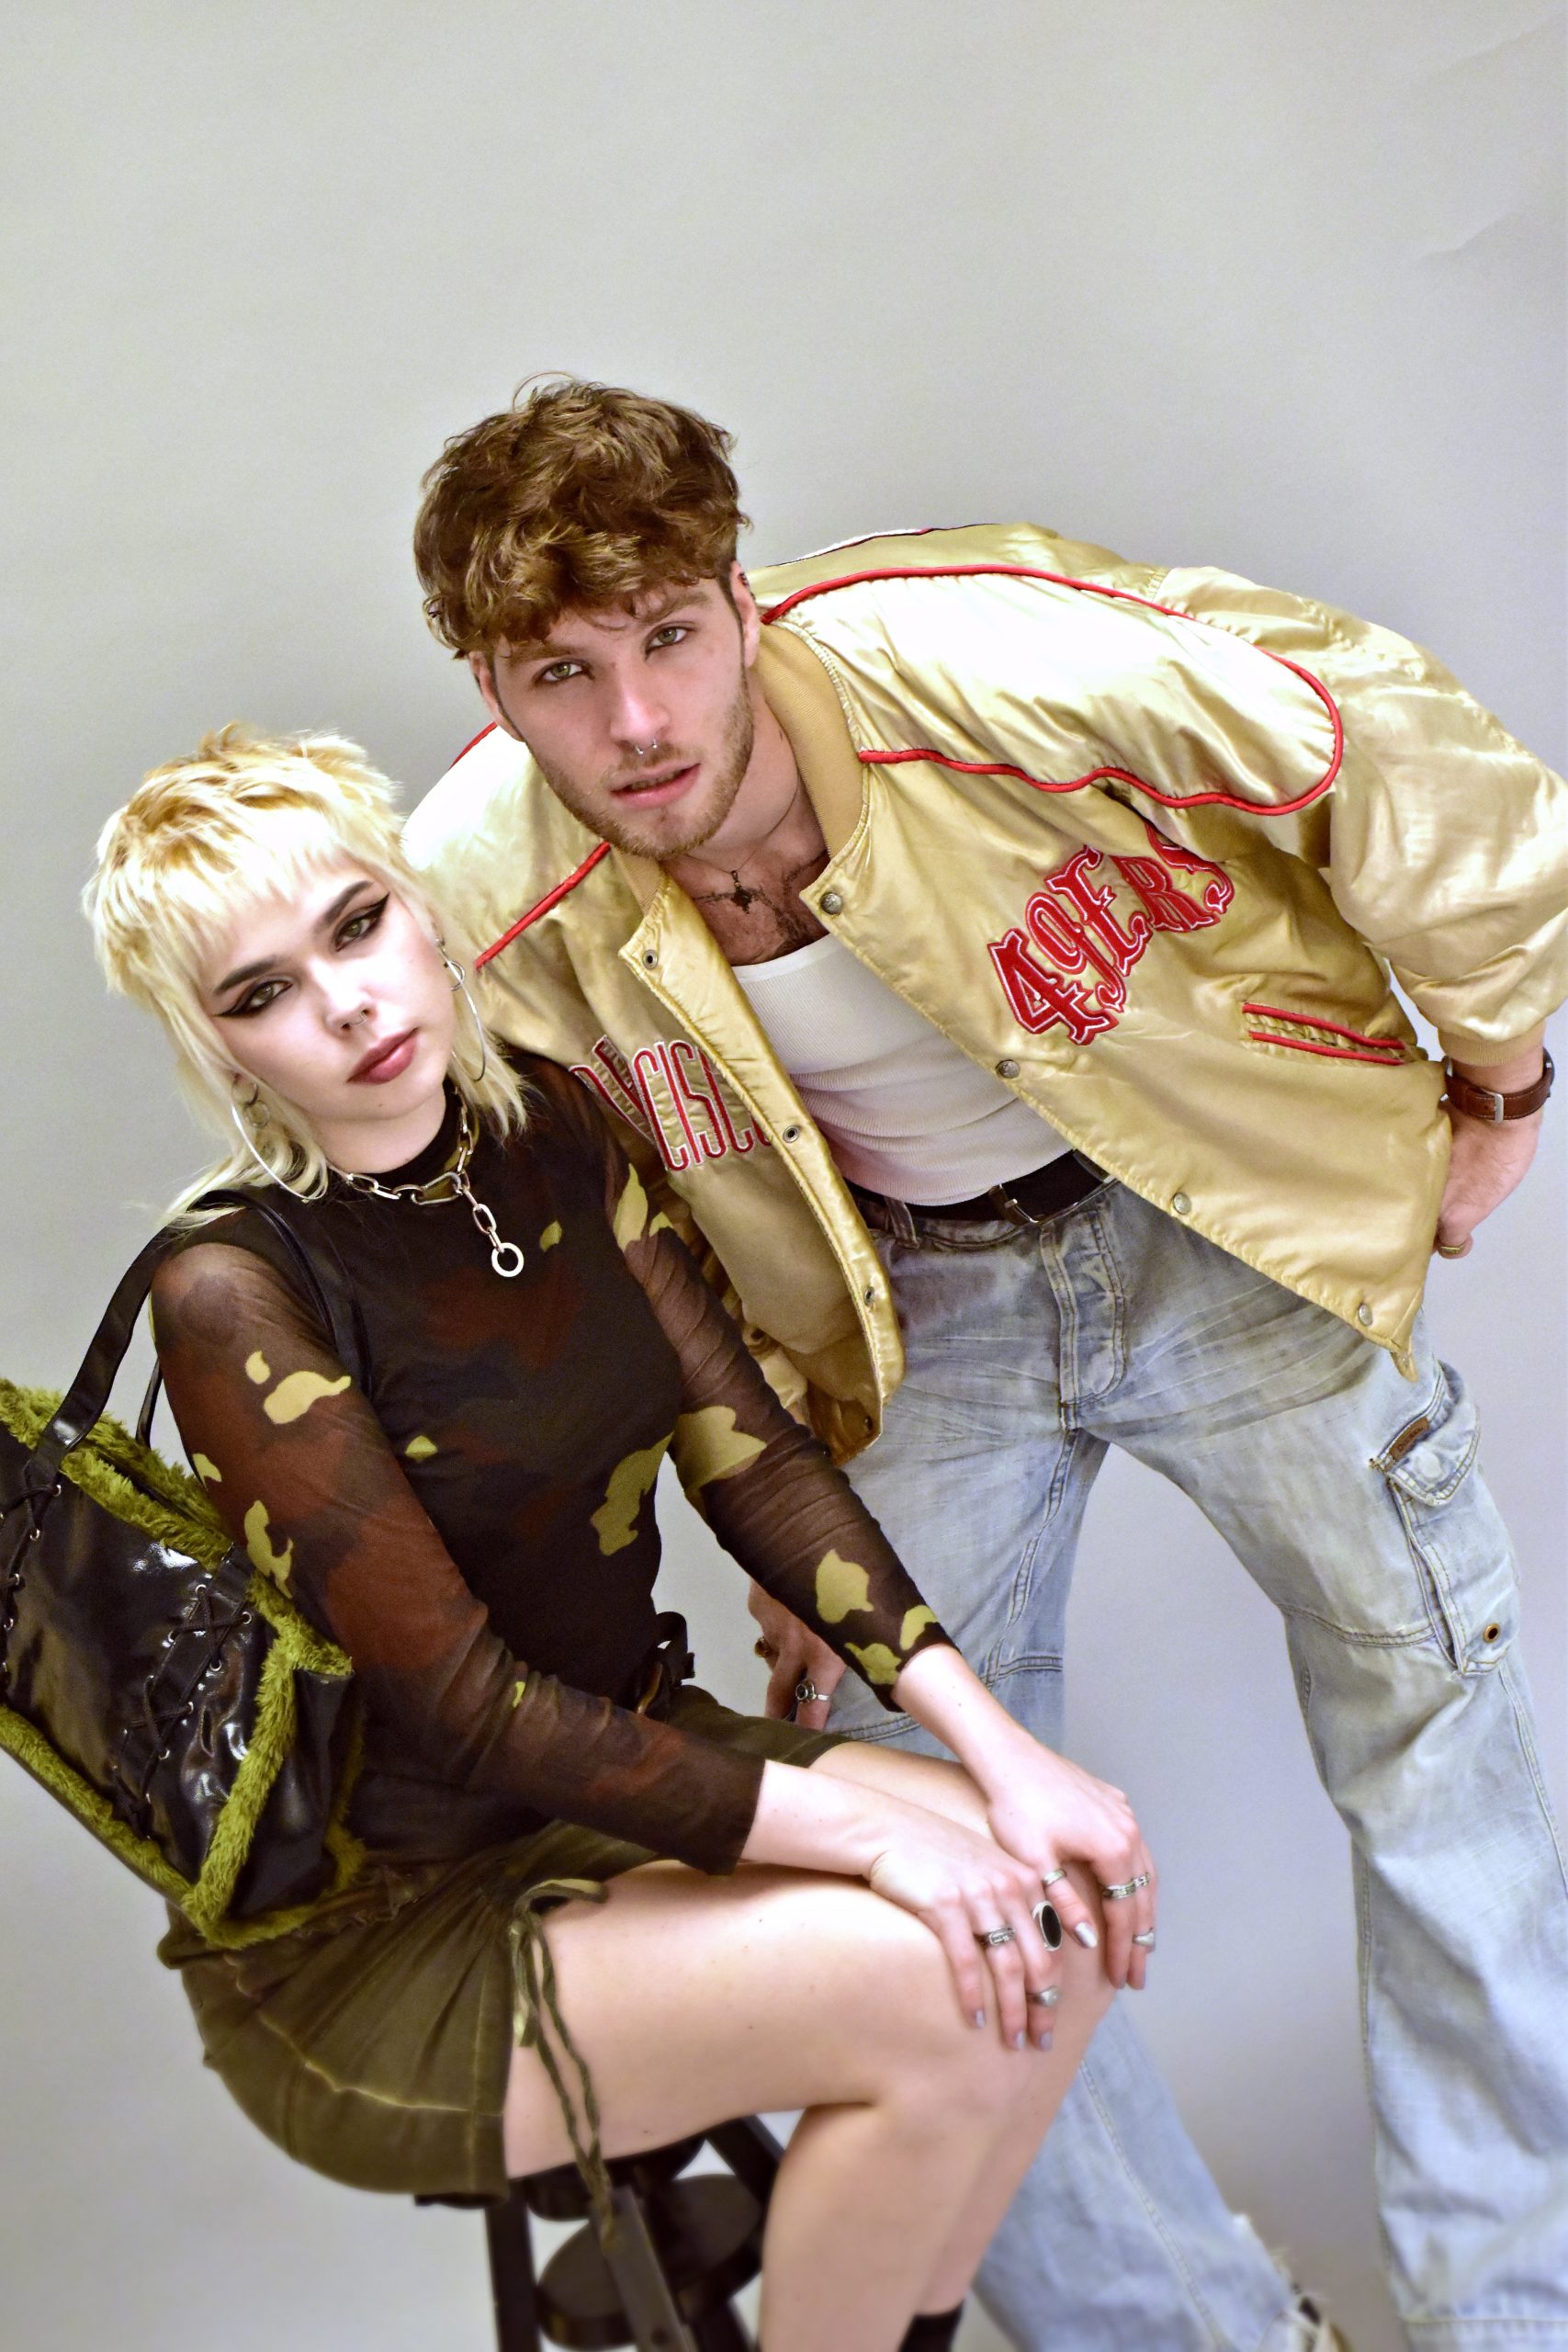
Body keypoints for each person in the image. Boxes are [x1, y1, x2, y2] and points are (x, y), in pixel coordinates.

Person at [404, 379, 1568, 2352]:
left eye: (670, 636)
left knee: (1435, 1742)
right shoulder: (483, 893)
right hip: (904, 1326)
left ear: (743, 600)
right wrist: (786, 1516)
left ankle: (1514, 2313)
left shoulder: (990, 661)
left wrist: (1497, 1075)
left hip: (1212, 1219)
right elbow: (602, 1234)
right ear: (491, 687)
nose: (639, 722)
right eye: (562, 675)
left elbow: (1379, 741)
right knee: (930, 1879)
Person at [83, 723, 1160, 2352]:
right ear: (219, 1048)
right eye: (264, 992)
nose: (349, 1003)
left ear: (419, 907)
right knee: (943, 1984)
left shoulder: (553, 1135)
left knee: (1051, 1894)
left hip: (626, 1762)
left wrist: (996, 1751)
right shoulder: (236, 1290)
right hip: (393, 1914)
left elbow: (755, 1463)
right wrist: (872, 1837)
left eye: (357, 925)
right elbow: (466, 1707)